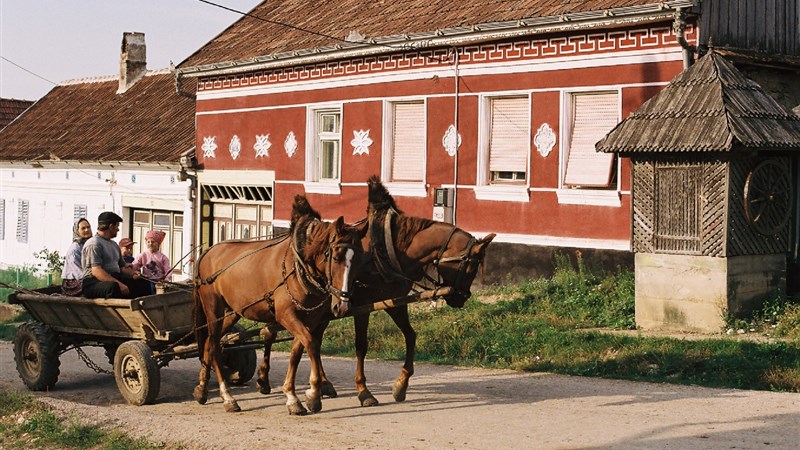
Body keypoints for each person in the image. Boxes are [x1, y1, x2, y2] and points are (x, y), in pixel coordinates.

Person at [81, 211, 151, 299]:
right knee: (114, 287)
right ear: (111, 226)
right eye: (117, 226)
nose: (118, 229)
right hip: (94, 282)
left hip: (114, 277)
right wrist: (120, 285)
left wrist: (132, 274)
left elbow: (121, 268)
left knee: (142, 283)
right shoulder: (94, 244)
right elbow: (96, 271)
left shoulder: (114, 245)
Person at [60, 218, 92, 296]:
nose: (87, 230)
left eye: (88, 227)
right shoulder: (75, 249)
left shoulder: (89, 245)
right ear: (77, 231)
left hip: (87, 278)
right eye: (83, 228)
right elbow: (79, 273)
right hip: (73, 284)